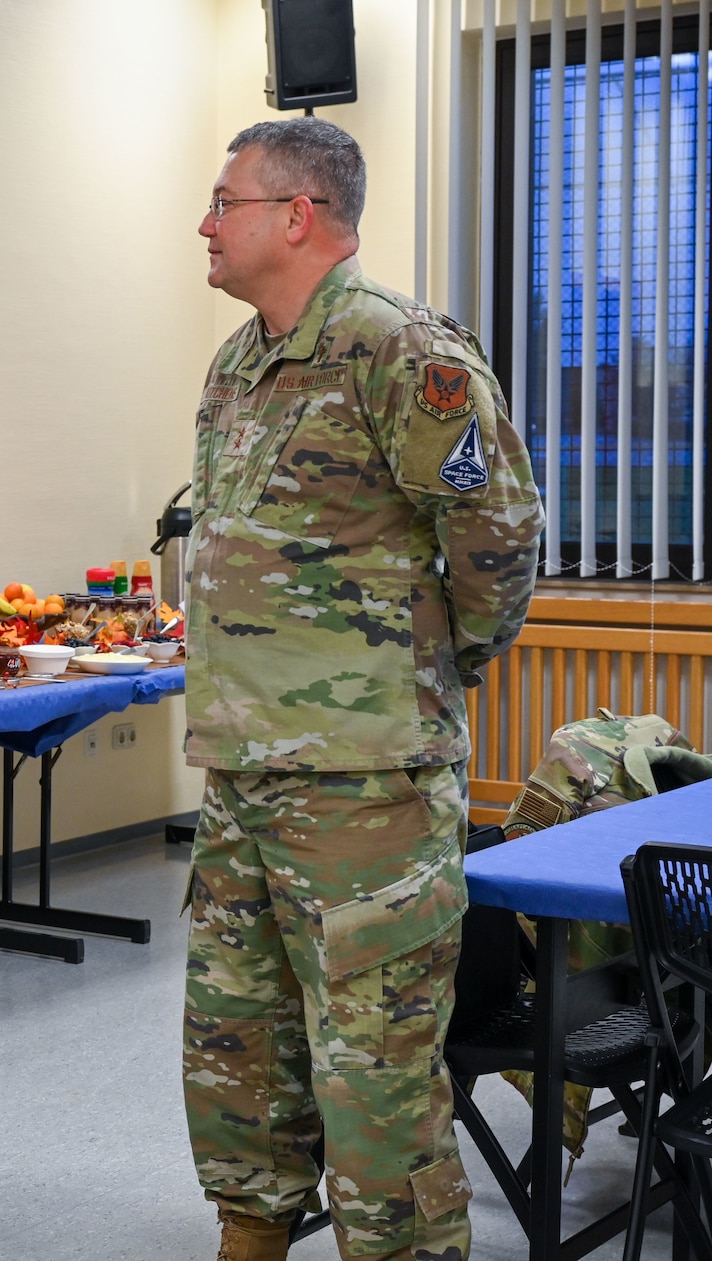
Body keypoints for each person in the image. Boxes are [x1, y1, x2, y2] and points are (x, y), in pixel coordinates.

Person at [181, 119, 541, 1261]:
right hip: (242, 768)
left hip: (364, 786)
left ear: (295, 216)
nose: (202, 221)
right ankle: (251, 1224)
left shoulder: (401, 351)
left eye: (222, 201)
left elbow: (496, 538)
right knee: (236, 1039)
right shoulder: (237, 362)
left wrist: (427, 674)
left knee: (373, 1067)